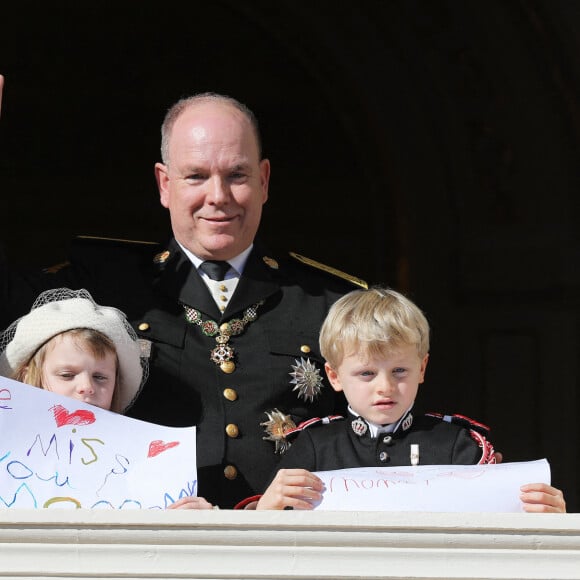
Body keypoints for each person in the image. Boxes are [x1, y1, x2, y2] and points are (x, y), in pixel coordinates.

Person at [0, 78, 365, 507]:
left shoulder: (334, 303)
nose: (218, 196)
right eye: (196, 176)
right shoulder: (99, 283)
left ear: (264, 180)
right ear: (164, 183)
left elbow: (385, 428)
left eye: (237, 175)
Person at [253, 287, 566, 512]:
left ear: (422, 368)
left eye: (399, 370)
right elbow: (270, 542)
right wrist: (268, 507)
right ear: (334, 376)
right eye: (366, 374)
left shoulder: (455, 444)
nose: (385, 387)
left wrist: (544, 516)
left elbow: (498, 533)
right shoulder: (314, 446)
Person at [0, 287, 214, 510]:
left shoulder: (145, 465)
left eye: (100, 377)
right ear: (26, 378)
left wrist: (197, 518)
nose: (86, 387)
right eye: (67, 375)